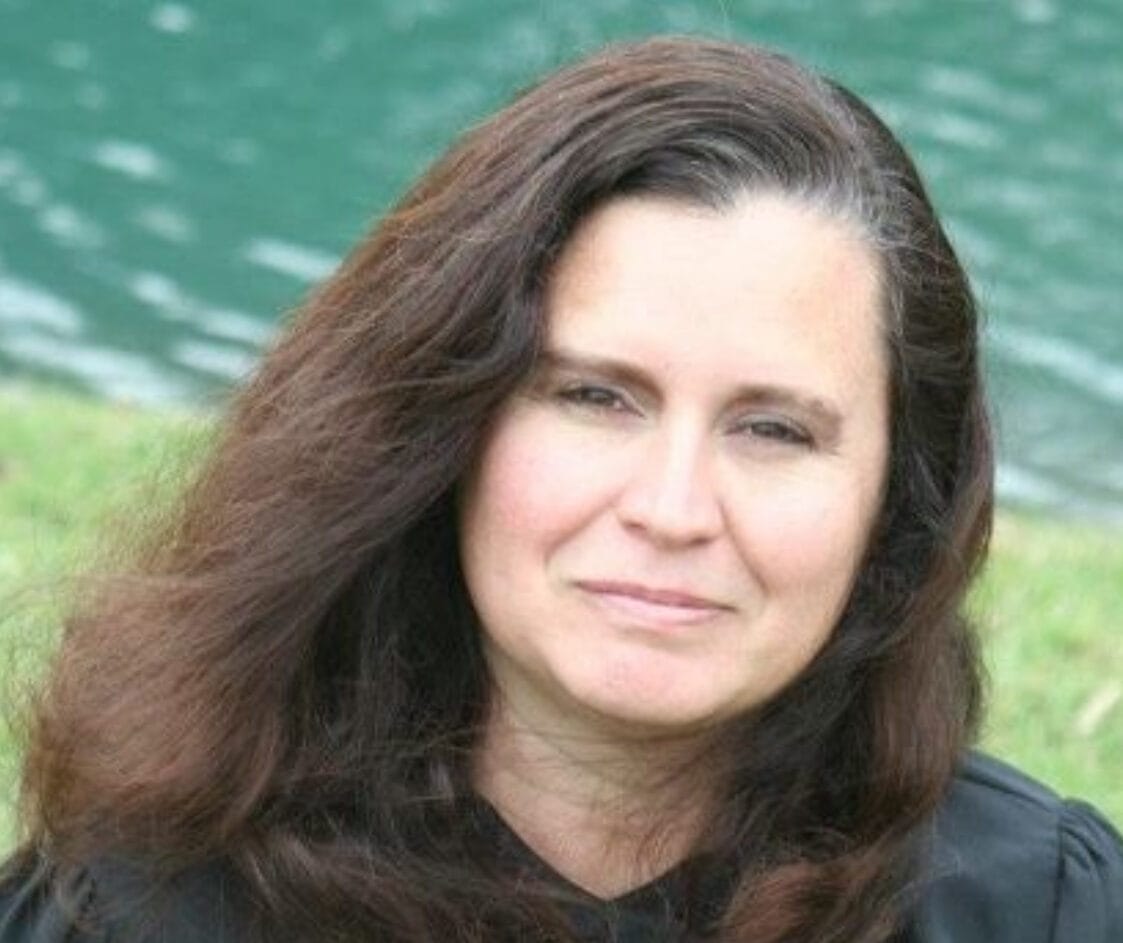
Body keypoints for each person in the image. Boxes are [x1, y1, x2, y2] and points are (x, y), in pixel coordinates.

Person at [1, 35, 1120, 943]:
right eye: (595, 398)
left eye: (773, 428)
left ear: (895, 498)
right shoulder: (147, 903)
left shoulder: (1039, 910)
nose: (674, 508)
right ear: (438, 427)